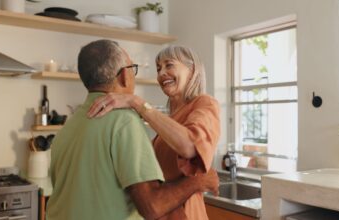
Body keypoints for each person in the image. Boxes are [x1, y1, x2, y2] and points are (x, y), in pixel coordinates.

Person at [46, 40, 219, 220]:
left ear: (192, 70)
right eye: (158, 68)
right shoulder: (127, 121)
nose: (161, 73)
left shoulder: (70, 126)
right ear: (123, 76)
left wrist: (135, 102)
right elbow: (151, 204)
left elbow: (189, 146)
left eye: (169, 65)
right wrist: (198, 181)